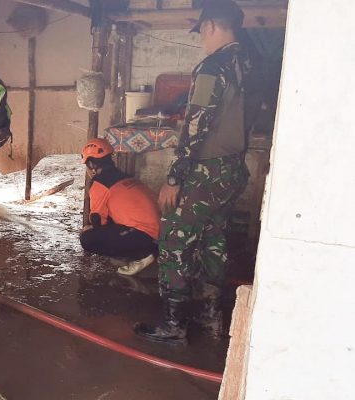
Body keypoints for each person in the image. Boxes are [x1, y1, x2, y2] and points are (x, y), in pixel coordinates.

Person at [133, 0, 258, 346]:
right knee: (213, 241)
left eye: (201, 32)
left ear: (211, 27)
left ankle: (174, 324)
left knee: (174, 239)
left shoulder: (212, 67)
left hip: (204, 171)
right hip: (232, 170)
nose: (202, 39)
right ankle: (211, 318)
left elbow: (198, 122)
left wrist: (174, 178)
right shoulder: (250, 64)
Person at [80, 138, 161, 276]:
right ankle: (143, 249)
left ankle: (143, 255)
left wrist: (89, 229)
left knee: (88, 239)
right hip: (161, 229)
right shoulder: (125, 176)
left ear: (92, 165)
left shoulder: (100, 184)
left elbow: (98, 220)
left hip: (146, 235)